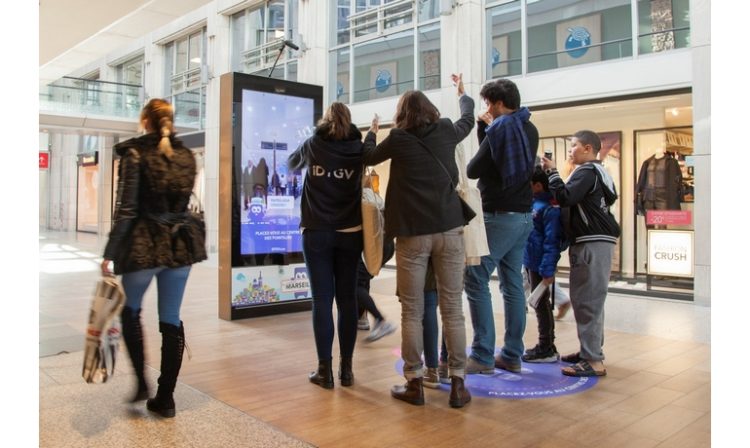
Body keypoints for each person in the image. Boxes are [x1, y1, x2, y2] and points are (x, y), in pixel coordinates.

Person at [363, 73, 474, 408]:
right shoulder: (445, 131)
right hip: (450, 229)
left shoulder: (398, 138)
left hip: (413, 234)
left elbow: (368, 157)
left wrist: (371, 132)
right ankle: (457, 383)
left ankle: (414, 382)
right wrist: (463, 94)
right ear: (429, 110)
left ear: (402, 115)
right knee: (452, 308)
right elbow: (468, 120)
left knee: (412, 310)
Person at [101, 98, 207, 418]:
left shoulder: (134, 154)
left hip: (144, 246)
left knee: (130, 312)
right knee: (171, 319)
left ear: (144, 120)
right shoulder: (187, 155)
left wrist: (109, 253)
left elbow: (127, 210)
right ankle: (166, 398)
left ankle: (141, 383)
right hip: (180, 246)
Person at [287, 102, 365, 389]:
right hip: (350, 232)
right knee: (347, 300)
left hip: (317, 231)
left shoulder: (313, 145)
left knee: (322, 300)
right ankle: (347, 370)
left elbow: (290, 164)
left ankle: (325, 371)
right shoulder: (358, 148)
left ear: (325, 121)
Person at [464, 78, 538, 375]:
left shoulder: (501, 128)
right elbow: (500, 162)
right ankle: (511, 354)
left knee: (475, 277)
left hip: (499, 215)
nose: (487, 109)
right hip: (523, 216)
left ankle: (482, 356)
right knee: (512, 286)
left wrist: (485, 130)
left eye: (487, 104)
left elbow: (473, 170)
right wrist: (486, 131)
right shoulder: (528, 127)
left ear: (496, 103)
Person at [540, 130, 620, 377]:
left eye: (573, 145)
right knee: (590, 299)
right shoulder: (601, 172)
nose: (570, 150)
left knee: (587, 300)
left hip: (591, 243)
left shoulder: (586, 171)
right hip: (598, 242)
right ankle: (590, 351)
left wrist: (552, 172)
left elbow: (565, 196)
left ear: (587, 148)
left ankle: (593, 360)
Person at [522, 165, 565, 363]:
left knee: (541, 303)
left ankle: (546, 346)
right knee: (540, 303)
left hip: (540, 262)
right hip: (532, 260)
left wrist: (548, 268)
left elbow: (551, 240)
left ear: (538, 185)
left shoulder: (549, 208)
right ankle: (546, 345)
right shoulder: (535, 204)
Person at [357, 238, 398, 342]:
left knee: (354, 285)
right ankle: (361, 318)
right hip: (384, 243)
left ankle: (380, 321)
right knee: (362, 281)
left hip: (376, 243)